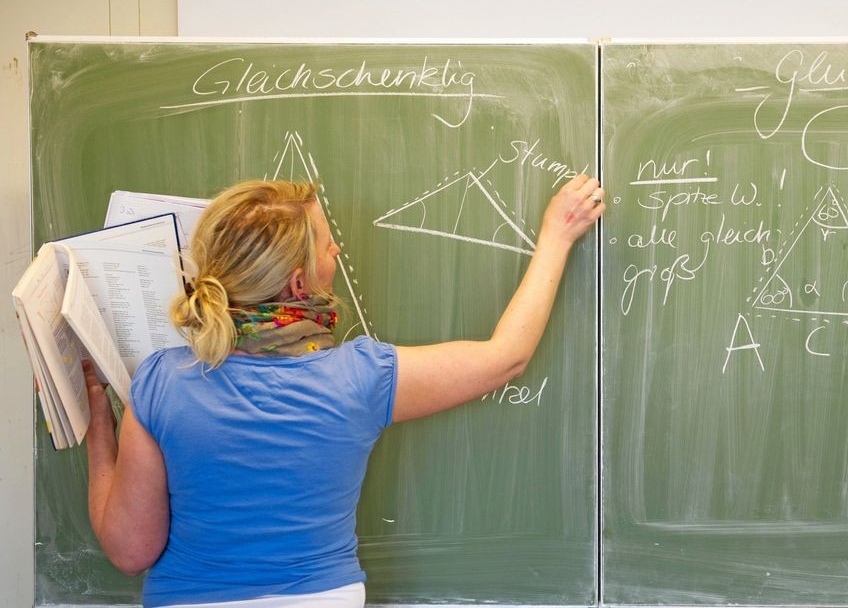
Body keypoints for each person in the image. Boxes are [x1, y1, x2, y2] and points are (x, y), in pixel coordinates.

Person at [83, 175, 605, 607]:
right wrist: (557, 236)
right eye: (327, 242)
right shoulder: (359, 379)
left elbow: (131, 551)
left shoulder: (158, 384)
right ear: (298, 286)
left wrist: (99, 426)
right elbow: (505, 356)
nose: (336, 248)